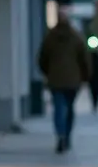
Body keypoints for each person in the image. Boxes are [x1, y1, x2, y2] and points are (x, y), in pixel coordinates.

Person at [37, 13, 91, 153]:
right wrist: (85, 76)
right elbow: (84, 59)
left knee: (59, 108)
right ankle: (66, 135)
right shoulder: (76, 38)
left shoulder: (50, 38)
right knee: (69, 107)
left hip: (55, 79)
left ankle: (60, 134)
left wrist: (47, 72)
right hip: (73, 80)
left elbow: (42, 58)